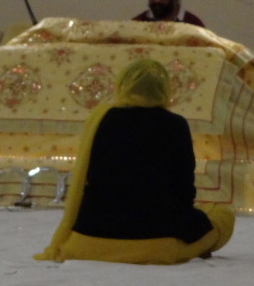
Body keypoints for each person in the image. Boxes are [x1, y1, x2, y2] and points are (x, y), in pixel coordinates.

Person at [34, 58, 234, 264]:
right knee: (222, 215)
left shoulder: (102, 118)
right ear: (164, 89)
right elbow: (183, 191)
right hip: (158, 244)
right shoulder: (175, 125)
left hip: (87, 240)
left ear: (122, 85)